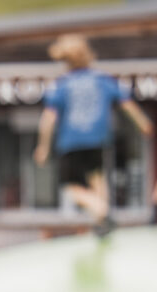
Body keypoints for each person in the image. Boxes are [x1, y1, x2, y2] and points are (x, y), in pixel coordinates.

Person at [34, 33, 153, 236]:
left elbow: (49, 118)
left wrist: (43, 147)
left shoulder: (62, 84)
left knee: (71, 187)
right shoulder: (102, 79)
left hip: (71, 141)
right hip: (98, 138)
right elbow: (127, 104)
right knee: (97, 178)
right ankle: (102, 222)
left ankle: (101, 212)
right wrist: (143, 123)